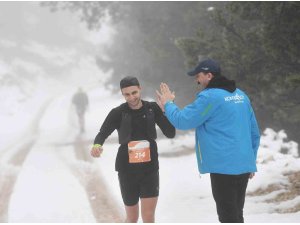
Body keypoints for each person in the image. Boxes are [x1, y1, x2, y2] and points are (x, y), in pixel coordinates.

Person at [156, 58, 260, 223]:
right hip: (243, 164)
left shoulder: (210, 97)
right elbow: (254, 132)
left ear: (209, 75)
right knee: (236, 213)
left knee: (228, 216)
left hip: (223, 166)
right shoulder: (241, 95)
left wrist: (168, 103)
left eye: (199, 75)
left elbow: (184, 121)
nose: (197, 80)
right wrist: (250, 161)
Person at [90, 76, 175, 223]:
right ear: (122, 94)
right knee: (132, 218)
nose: (131, 97)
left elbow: (170, 133)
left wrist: (168, 107)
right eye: (127, 94)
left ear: (140, 89)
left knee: (148, 217)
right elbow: (102, 133)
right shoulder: (117, 113)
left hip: (149, 169)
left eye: (134, 92)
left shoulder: (152, 108)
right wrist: (97, 146)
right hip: (127, 171)